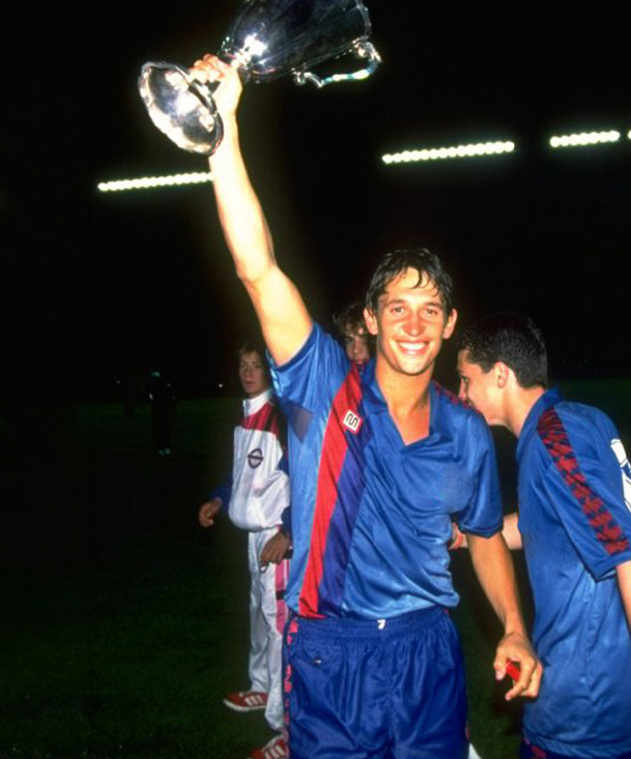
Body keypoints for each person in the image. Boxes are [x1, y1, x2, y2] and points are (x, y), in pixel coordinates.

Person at [189, 53, 541, 759]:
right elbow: (258, 268)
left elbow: (480, 535)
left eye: (430, 309)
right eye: (397, 307)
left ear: (449, 326)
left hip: (427, 650)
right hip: (330, 652)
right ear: (372, 319)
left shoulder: (466, 430)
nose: (413, 323)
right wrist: (223, 133)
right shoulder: (322, 382)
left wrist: (512, 625)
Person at [456, 312, 631, 759]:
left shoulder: (554, 440)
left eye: (465, 380)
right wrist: (468, 533)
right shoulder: (579, 421)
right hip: (612, 688)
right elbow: (554, 522)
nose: (461, 394)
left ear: (499, 374)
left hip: (587, 703)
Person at [198, 342, 290, 759]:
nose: (249, 372)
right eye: (243, 366)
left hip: (275, 537)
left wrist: (288, 531)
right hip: (253, 536)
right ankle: (261, 687)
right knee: (259, 613)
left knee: (278, 622)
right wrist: (219, 499)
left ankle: (285, 722)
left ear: (269, 372)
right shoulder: (245, 415)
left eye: (256, 366)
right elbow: (240, 474)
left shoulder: (282, 417)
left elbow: (304, 476)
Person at [260, 301, 373, 567]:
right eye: (349, 340)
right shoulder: (325, 390)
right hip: (331, 536)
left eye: (364, 340)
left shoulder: (397, 396)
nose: (356, 350)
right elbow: (305, 466)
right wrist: (289, 529)